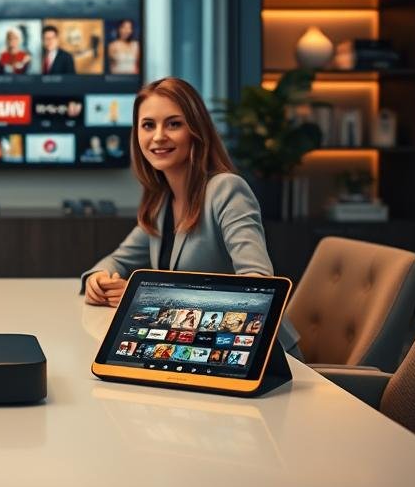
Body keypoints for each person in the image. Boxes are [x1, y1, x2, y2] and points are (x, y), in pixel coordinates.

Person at [80, 76, 300, 355]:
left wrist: (144, 299)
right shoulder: (161, 201)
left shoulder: (226, 189)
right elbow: (118, 259)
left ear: (196, 130)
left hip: (258, 354)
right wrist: (98, 280)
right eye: (148, 125)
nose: (158, 136)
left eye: (174, 124)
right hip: (199, 350)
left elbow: (258, 285)